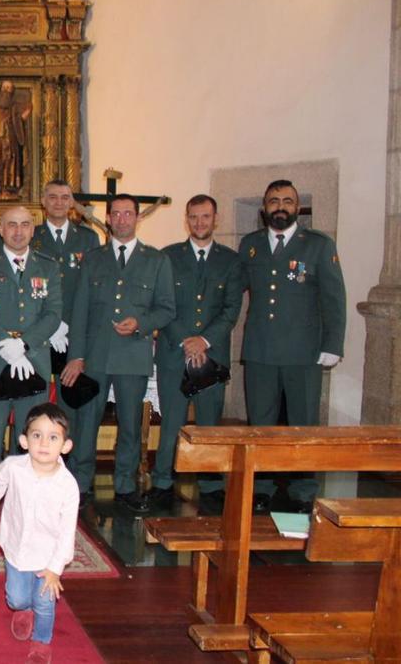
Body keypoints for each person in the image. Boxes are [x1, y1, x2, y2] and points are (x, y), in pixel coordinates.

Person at [61, 195, 175, 512]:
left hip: (133, 355)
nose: (122, 219)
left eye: (128, 213)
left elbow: (167, 309)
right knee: (87, 423)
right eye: (116, 214)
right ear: (108, 219)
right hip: (95, 356)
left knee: (129, 424)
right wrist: (76, 355)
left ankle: (125, 485)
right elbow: (80, 310)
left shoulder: (156, 261)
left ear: (138, 218)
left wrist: (141, 323)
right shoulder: (93, 259)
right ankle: (80, 484)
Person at [239, 179, 346, 512]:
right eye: (273, 201)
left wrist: (333, 344)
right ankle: (263, 486)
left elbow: (334, 298)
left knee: (303, 423)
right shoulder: (251, 244)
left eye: (287, 201)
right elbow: (233, 289)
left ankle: (302, 489)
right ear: (264, 208)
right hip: (260, 352)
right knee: (260, 425)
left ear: (297, 208)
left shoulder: (318, 245)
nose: (280, 206)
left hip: (303, 352)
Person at [0, 206, 63, 519]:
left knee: (33, 432)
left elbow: (53, 313)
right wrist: (5, 344)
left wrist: (23, 344)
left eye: (24, 225)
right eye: (11, 225)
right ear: (1, 230)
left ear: (33, 230)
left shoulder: (47, 266)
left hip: (32, 360)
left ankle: (27, 497)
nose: (18, 231)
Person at [0, 403, 79, 664]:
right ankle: (23, 610)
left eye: (53, 437)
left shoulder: (68, 486)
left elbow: (66, 532)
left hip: (47, 555)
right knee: (16, 598)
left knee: (45, 602)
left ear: (65, 446)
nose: (43, 442)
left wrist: (55, 568)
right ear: (23, 440)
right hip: (16, 546)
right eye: (36, 435)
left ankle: (41, 643)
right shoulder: (14, 466)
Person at [152, 195, 243, 511]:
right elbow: (162, 304)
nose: (200, 223)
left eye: (205, 217)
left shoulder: (231, 261)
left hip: (212, 354)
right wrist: (185, 340)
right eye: (194, 217)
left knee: (208, 423)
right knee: (171, 422)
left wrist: (204, 341)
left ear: (215, 219)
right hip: (174, 353)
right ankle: (162, 480)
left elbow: (231, 309)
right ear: (186, 219)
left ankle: (210, 482)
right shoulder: (168, 257)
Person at [30, 179, 100, 434]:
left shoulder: (88, 239)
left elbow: (93, 289)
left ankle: (70, 466)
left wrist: (72, 327)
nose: (58, 202)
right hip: (37, 332)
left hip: (74, 333)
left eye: (64, 197)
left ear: (72, 203)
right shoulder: (32, 236)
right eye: (52, 197)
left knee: (71, 403)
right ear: (43, 201)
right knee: (35, 402)